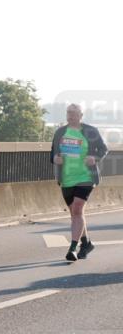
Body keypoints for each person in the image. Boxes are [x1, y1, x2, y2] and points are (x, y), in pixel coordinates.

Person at [51, 103, 109, 261]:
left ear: (81, 116)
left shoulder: (90, 131)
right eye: (69, 113)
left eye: (75, 113)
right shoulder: (60, 132)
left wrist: (95, 158)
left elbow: (103, 150)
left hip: (85, 177)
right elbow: (53, 153)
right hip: (66, 178)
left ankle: (72, 248)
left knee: (77, 209)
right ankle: (86, 243)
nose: (71, 116)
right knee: (75, 214)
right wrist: (55, 158)